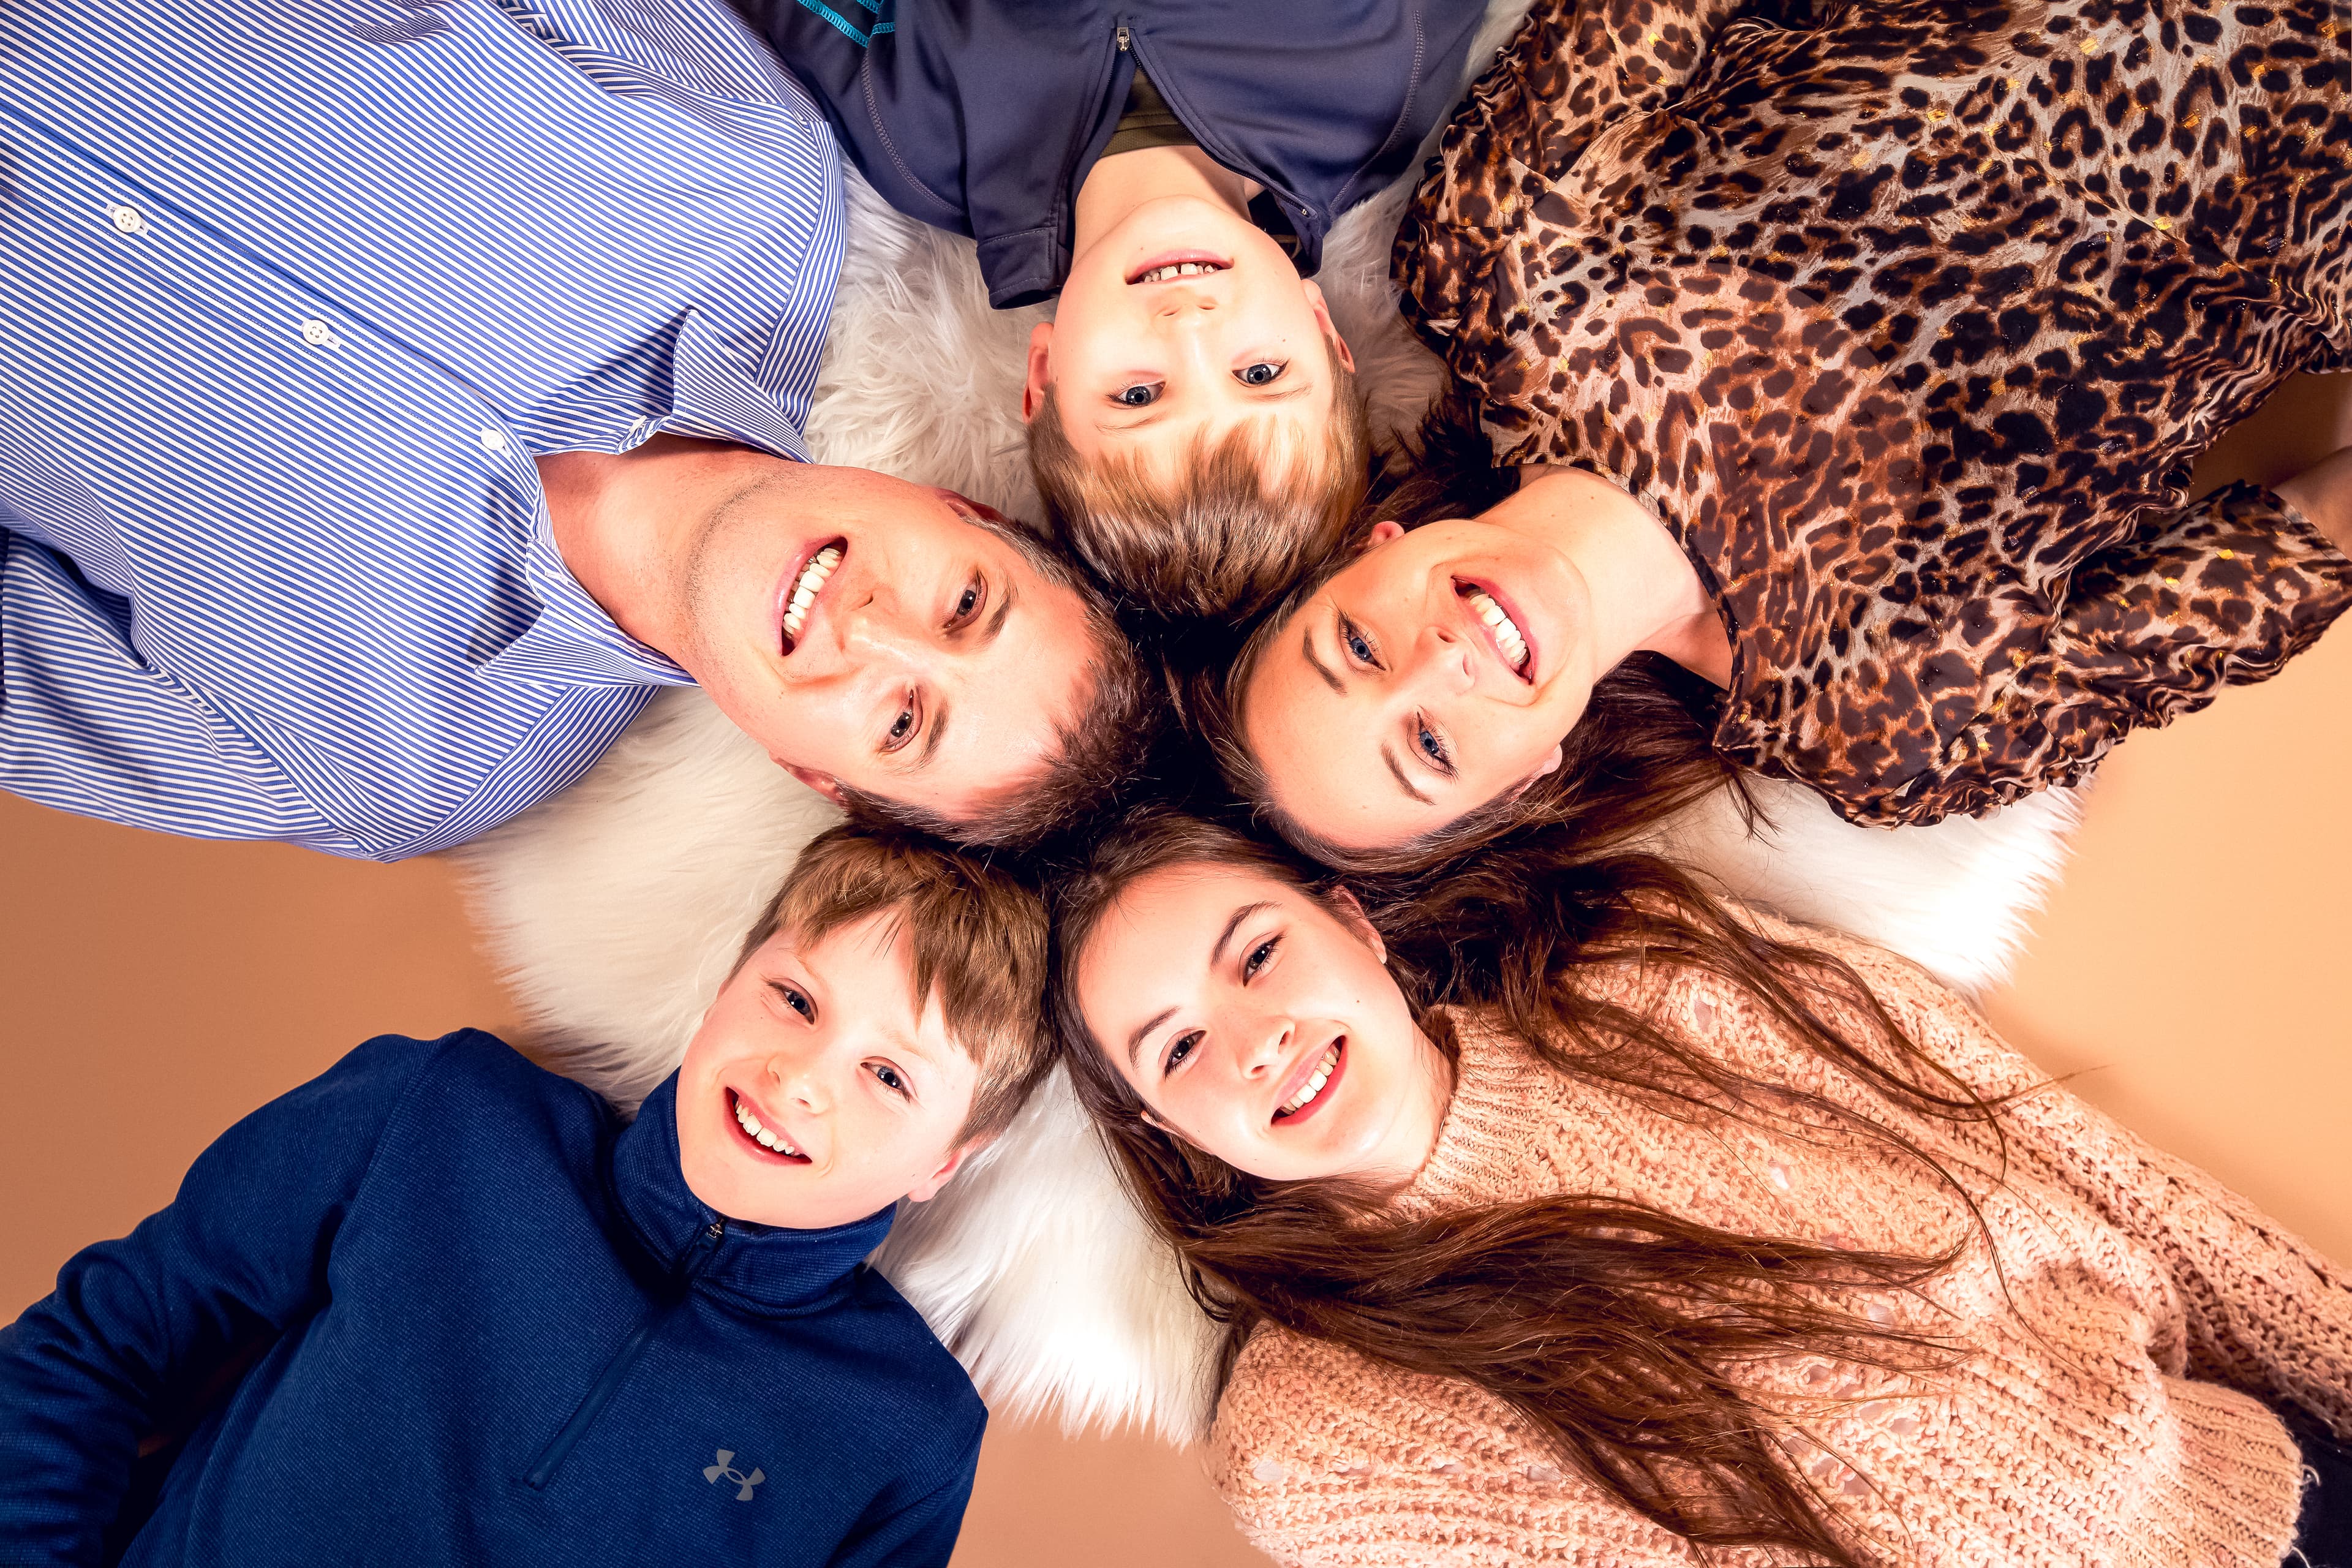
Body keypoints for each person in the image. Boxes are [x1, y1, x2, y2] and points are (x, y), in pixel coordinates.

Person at [1209, 0, 2352, 869]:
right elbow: (2313, 540)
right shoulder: (1898, 722)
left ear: (1374, 544)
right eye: (1433, 749)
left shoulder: (1487, 258)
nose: (1438, 665)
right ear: (1525, 784)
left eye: (1357, 648)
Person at [0, 0, 1151, 862]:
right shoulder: (750, 174)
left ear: (817, 778)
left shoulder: (389, 773)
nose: (877, 629)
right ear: (963, 511)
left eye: (903, 721)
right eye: (965, 604)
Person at [1047, 809, 2352, 1567]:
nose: (1252, 1036)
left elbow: (2092, 1178)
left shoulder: (1656, 980)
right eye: (1176, 1048)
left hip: (2273, 1493)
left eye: (1259, 952)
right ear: (1180, 1133)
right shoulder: (1313, 1426)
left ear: (1356, 921)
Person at [0, 826, 1054, 1566]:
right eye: (793, 999)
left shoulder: (904, 1433)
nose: (804, 1076)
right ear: (720, 993)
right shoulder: (440, 1110)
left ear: (945, 1161)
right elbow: (95, 1346)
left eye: (889, 1076)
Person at [729, 0, 1489, 617]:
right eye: (1260, 372)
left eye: (1137, 396)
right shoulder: (1375, 85)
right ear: (1325, 332)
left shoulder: (919, 147)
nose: (1191, 326)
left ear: (1042, 376)